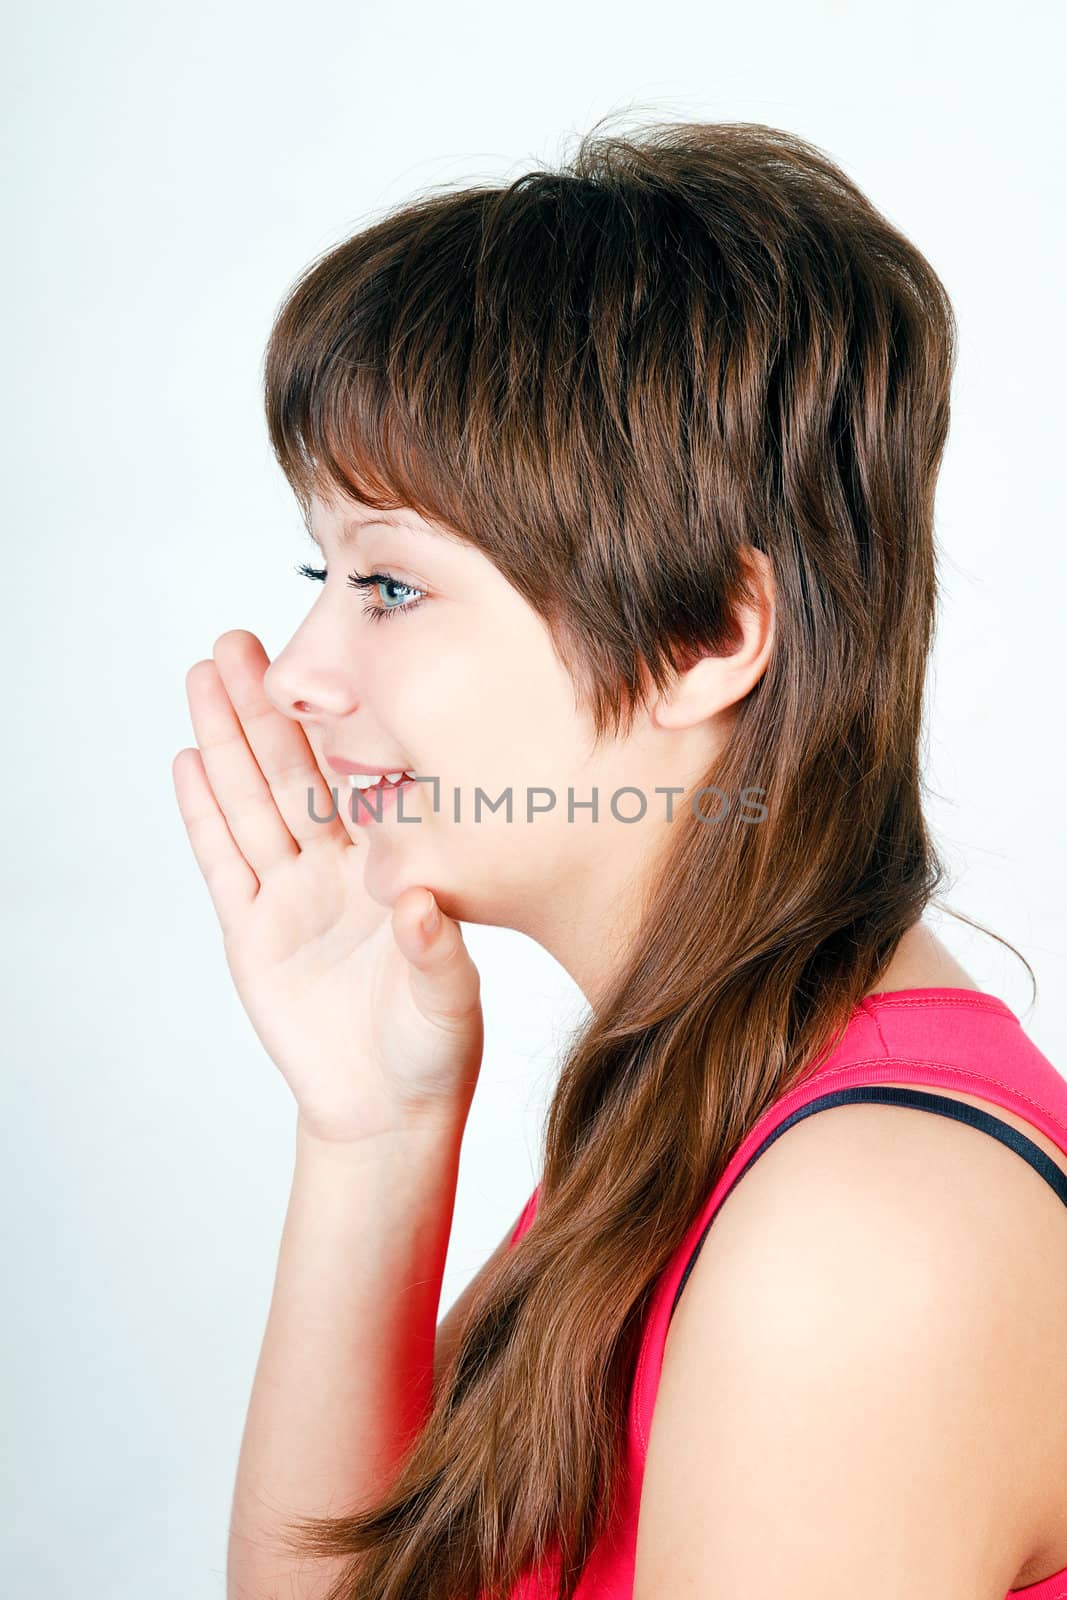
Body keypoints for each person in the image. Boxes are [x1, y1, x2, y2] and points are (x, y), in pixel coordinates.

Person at [172, 116, 1067, 1600]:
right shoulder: (688, 1127)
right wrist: (370, 1133)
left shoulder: (862, 1237)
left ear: (711, 634)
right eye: (316, 577)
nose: (303, 672)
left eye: (390, 584)